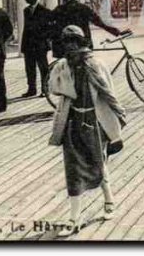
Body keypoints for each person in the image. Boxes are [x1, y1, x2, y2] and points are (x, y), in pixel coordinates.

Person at [48, 25, 126, 235]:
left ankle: (109, 200)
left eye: (74, 42)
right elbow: (54, 88)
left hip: (95, 120)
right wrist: (62, 71)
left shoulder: (96, 65)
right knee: (73, 171)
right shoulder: (63, 67)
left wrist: (118, 117)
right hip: (72, 122)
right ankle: (74, 219)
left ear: (81, 43)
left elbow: (109, 93)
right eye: (66, 43)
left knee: (97, 163)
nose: (70, 47)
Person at [51, 0, 130, 59]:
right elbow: (99, 22)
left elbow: (49, 23)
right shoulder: (84, 8)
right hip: (82, 44)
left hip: (64, 46)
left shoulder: (59, 9)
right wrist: (116, 32)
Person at [20, 0, 53, 98]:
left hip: (40, 45)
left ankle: (45, 89)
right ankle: (31, 89)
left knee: (43, 68)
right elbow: (26, 29)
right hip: (28, 45)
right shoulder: (26, 11)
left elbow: (49, 29)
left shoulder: (45, 11)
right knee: (29, 68)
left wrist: (44, 40)